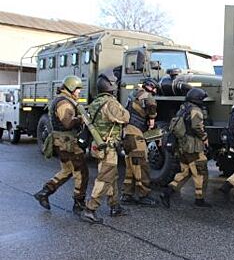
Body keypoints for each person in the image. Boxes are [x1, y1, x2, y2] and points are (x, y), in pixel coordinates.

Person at [34, 75, 89, 214]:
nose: (79, 92)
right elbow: (67, 122)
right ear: (71, 88)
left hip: (63, 142)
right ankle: (79, 203)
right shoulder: (64, 103)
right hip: (67, 142)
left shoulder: (63, 100)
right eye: (77, 89)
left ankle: (44, 192)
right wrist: (81, 119)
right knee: (81, 172)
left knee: (67, 171)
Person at [81, 70, 130, 224]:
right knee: (104, 178)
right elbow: (125, 117)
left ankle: (115, 206)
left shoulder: (96, 102)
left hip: (99, 145)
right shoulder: (110, 103)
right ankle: (90, 209)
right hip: (108, 148)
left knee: (112, 176)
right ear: (111, 87)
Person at [159, 88, 211, 208]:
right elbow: (197, 127)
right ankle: (200, 199)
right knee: (201, 172)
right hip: (193, 147)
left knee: (185, 172)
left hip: (182, 146)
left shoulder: (183, 109)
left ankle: (167, 192)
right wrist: (205, 137)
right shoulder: (195, 110)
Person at [121, 78, 158, 206]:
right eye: (154, 88)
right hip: (136, 134)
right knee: (142, 165)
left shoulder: (134, 94)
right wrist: (152, 119)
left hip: (127, 133)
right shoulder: (147, 96)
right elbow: (152, 105)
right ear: (150, 87)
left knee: (130, 166)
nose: (155, 91)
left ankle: (127, 195)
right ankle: (144, 195)